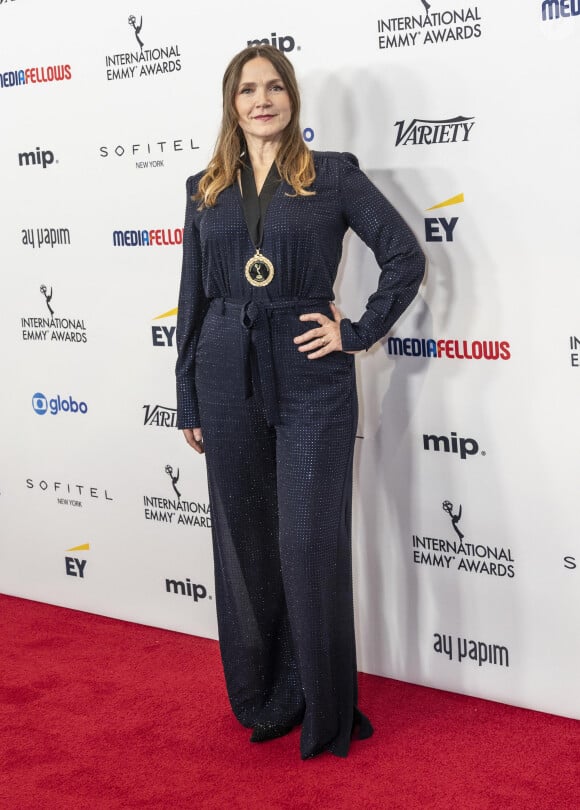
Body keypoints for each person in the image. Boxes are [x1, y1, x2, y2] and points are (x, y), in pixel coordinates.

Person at [175, 43, 425, 760]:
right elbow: (191, 298)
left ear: (292, 99)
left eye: (274, 87)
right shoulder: (205, 189)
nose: (262, 99)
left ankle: (323, 701)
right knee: (246, 546)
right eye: (248, 89)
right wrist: (186, 394)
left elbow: (404, 257)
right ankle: (267, 697)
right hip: (224, 367)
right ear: (232, 103)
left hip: (311, 374)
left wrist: (358, 331)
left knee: (307, 543)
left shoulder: (333, 175)